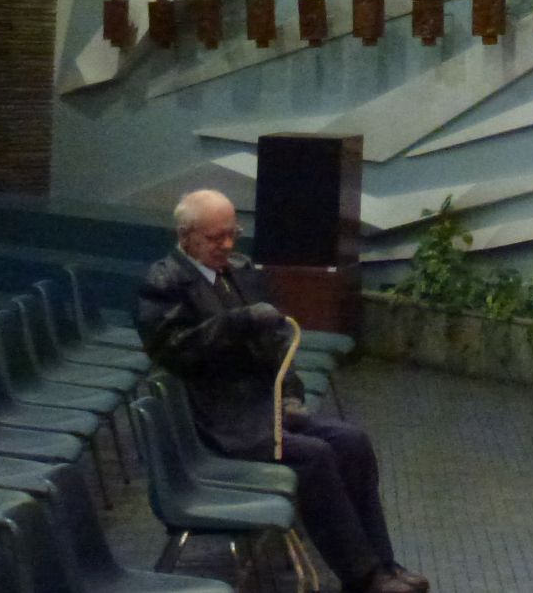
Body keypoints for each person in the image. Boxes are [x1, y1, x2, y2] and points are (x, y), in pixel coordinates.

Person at [137, 189, 428, 593]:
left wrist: (290, 392)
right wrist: (236, 323)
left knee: (353, 441)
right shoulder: (164, 282)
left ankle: (384, 563)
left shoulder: (240, 271)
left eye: (232, 234)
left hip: (262, 409)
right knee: (315, 457)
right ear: (186, 236)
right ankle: (363, 576)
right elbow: (175, 351)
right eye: (215, 238)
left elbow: (276, 344)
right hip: (219, 422)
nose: (227, 245)